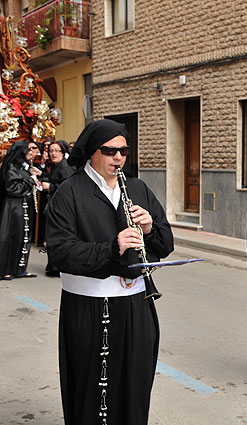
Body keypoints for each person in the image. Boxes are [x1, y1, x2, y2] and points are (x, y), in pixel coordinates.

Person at [46, 119, 174, 425]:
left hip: (136, 304)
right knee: (93, 389)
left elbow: (165, 244)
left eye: (123, 151)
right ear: (92, 152)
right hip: (90, 309)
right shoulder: (69, 192)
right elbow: (61, 251)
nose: (118, 158)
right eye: (109, 151)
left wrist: (149, 227)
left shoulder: (138, 188)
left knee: (135, 382)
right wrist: (111, 247)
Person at [0, 140, 39, 279]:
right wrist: (30, 182)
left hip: (23, 206)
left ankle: (20, 268)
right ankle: (6, 269)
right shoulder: (11, 167)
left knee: (23, 237)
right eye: (28, 149)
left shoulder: (24, 167)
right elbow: (12, 188)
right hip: (13, 207)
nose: (31, 152)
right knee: (11, 237)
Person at [41, 140, 74, 277]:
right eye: (51, 151)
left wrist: (51, 187)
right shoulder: (56, 166)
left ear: (63, 152)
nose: (53, 154)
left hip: (61, 208)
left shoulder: (65, 167)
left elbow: (68, 188)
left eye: (56, 151)